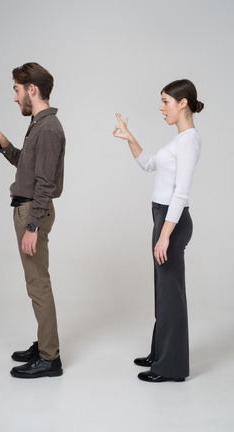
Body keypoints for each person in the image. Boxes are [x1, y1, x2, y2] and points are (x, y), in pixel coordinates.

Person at [113, 79, 203, 383]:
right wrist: (129, 137)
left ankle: (171, 368)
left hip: (172, 222)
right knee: (163, 293)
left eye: (166, 101)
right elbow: (149, 163)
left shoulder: (189, 140)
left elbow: (181, 192)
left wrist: (165, 235)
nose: (161, 107)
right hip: (163, 219)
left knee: (171, 295)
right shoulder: (178, 140)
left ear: (183, 103)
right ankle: (159, 354)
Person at [0, 62, 66, 379]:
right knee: (36, 283)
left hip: (33, 212)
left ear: (32, 89)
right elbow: (27, 171)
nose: (15, 97)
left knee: (38, 285)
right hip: (29, 208)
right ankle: (45, 344)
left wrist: (32, 226)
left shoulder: (48, 128)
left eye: (17, 90)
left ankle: (49, 357)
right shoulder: (39, 125)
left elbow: (43, 185)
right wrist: (4, 142)